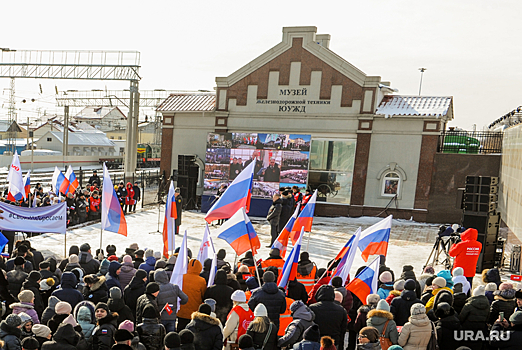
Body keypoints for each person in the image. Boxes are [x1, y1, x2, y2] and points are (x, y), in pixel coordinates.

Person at [309, 284, 347, 350]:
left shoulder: (313, 308)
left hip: (317, 341)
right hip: (333, 341)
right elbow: (343, 329)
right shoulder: (341, 310)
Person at [177, 259, 206, 331]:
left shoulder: (181, 277)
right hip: (194, 312)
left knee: (180, 329)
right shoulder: (201, 281)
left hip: (181, 311)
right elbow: (203, 295)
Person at [154, 269, 188, 333]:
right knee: (171, 336)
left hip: (161, 317)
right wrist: (179, 304)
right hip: (172, 316)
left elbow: (154, 303)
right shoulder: (174, 287)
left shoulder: (157, 289)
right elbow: (185, 298)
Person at [458, 285, 489, 350]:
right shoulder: (487, 305)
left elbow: (461, 318)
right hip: (480, 330)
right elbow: (488, 318)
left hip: (467, 330)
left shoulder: (469, 305)